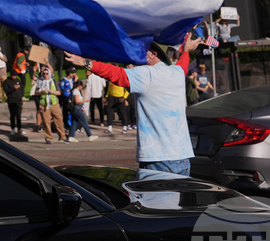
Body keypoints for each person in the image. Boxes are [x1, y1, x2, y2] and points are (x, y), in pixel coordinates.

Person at [66, 31, 201, 176]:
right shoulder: (177, 73)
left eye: (144, 50)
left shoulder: (146, 73)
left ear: (152, 54)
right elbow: (183, 64)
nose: (139, 52)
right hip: (183, 156)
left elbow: (116, 74)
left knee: (155, 199)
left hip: (158, 158)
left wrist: (86, 62)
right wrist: (186, 51)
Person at [33, 66, 66, 144]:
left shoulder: (53, 81)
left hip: (54, 104)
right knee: (46, 122)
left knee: (59, 120)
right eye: (44, 73)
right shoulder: (39, 82)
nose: (45, 75)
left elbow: (59, 92)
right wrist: (42, 91)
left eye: (47, 73)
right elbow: (36, 93)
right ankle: (48, 138)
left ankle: (62, 136)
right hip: (44, 104)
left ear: (50, 74)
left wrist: (51, 91)